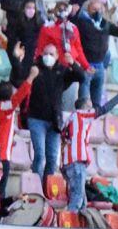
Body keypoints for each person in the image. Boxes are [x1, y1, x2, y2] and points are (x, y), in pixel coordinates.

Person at [62, 90, 118, 212]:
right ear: (85, 107)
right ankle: (68, 227)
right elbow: (103, 109)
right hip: (77, 161)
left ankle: (79, 227)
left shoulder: (70, 118)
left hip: (68, 162)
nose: (92, 107)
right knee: (77, 198)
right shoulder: (82, 115)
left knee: (82, 200)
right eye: (90, 105)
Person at [28, 45, 85, 178]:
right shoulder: (35, 68)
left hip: (55, 121)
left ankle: (47, 188)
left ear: (57, 56)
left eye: (51, 54)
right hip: (36, 118)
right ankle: (36, 186)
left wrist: (72, 63)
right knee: (40, 154)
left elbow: (81, 77)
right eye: (46, 53)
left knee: (52, 158)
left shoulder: (62, 71)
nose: (48, 56)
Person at [75, 0, 118, 110]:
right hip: (86, 65)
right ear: (88, 10)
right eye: (94, 9)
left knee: (97, 105)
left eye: (100, 9)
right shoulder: (82, 22)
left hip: (100, 65)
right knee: (83, 104)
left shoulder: (105, 24)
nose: (97, 12)